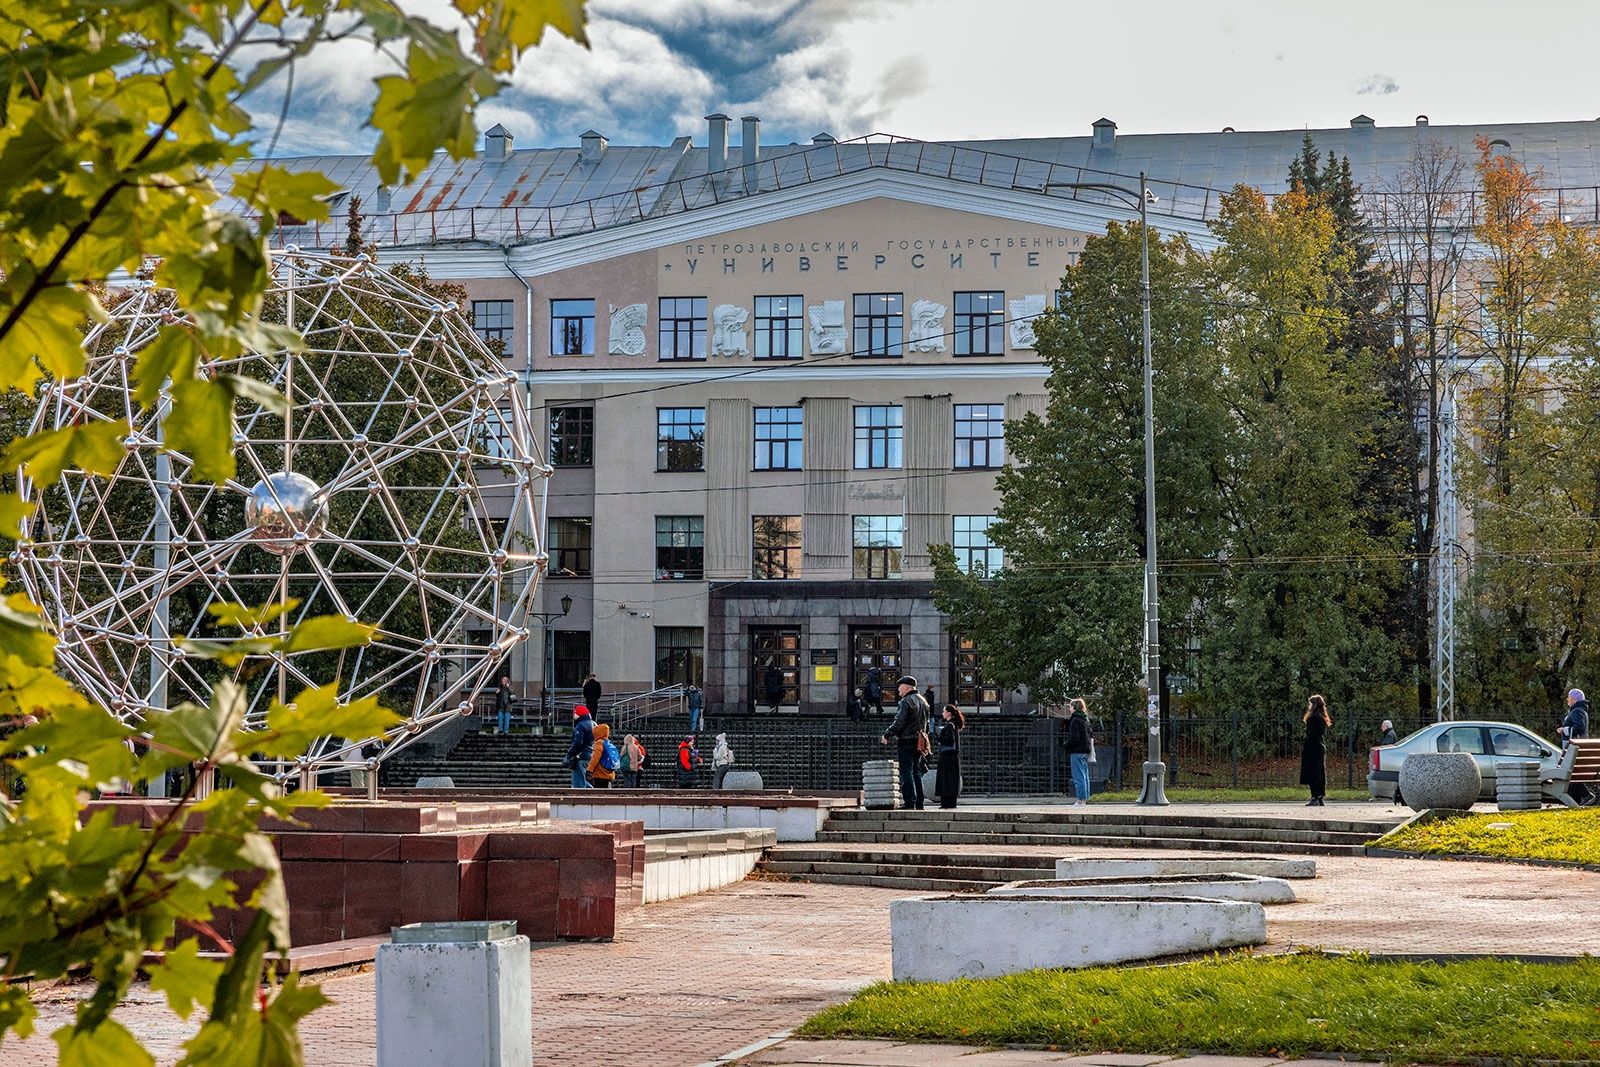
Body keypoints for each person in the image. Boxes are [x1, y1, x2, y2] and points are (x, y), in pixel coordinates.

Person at [879, 675, 928, 810]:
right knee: (916, 771)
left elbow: (900, 721)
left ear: (907, 687)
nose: (898, 690)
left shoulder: (906, 701)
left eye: (900, 686)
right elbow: (927, 724)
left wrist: (887, 733)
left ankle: (909, 802)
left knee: (906, 771)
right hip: (919, 740)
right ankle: (919, 802)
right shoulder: (923, 701)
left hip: (906, 740)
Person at [1301, 694, 1331, 806]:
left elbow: (1310, 734)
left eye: (1310, 704)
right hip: (1319, 746)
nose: (1308, 706)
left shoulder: (1312, 718)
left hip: (1312, 747)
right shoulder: (1322, 718)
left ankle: (1314, 796)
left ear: (1314, 705)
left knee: (1312, 772)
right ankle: (1320, 796)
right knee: (1319, 772)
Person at [934, 704, 965, 809]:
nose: (942, 713)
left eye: (944, 711)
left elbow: (949, 740)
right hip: (953, 756)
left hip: (947, 756)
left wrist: (939, 738)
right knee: (951, 779)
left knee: (945, 779)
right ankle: (951, 802)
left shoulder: (949, 725)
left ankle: (946, 803)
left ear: (949, 713)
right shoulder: (954, 724)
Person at [1064, 698, 1093, 805]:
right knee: (1085, 775)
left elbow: (1074, 738)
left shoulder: (1075, 719)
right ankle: (1084, 799)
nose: (1069, 709)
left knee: (1078, 776)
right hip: (1085, 750)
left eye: (1070, 707)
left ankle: (1080, 800)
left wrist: (1066, 745)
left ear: (1074, 707)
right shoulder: (1085, 719)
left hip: (1076, 750)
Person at [563, 704, 595, 788]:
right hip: (591, 755)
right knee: (583, 780)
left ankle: (581, 798)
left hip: (581, 756)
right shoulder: (594, 724)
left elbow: (577, 743)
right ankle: (592, 792)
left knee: (578, 782)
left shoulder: (580, 726)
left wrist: (570, 754)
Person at [587, 721, 618, 787]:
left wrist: (589, 770)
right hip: (608, 772)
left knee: (599, 793)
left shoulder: (599, 743)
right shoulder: (608, 742)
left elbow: (595, 758)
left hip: (600, 773)